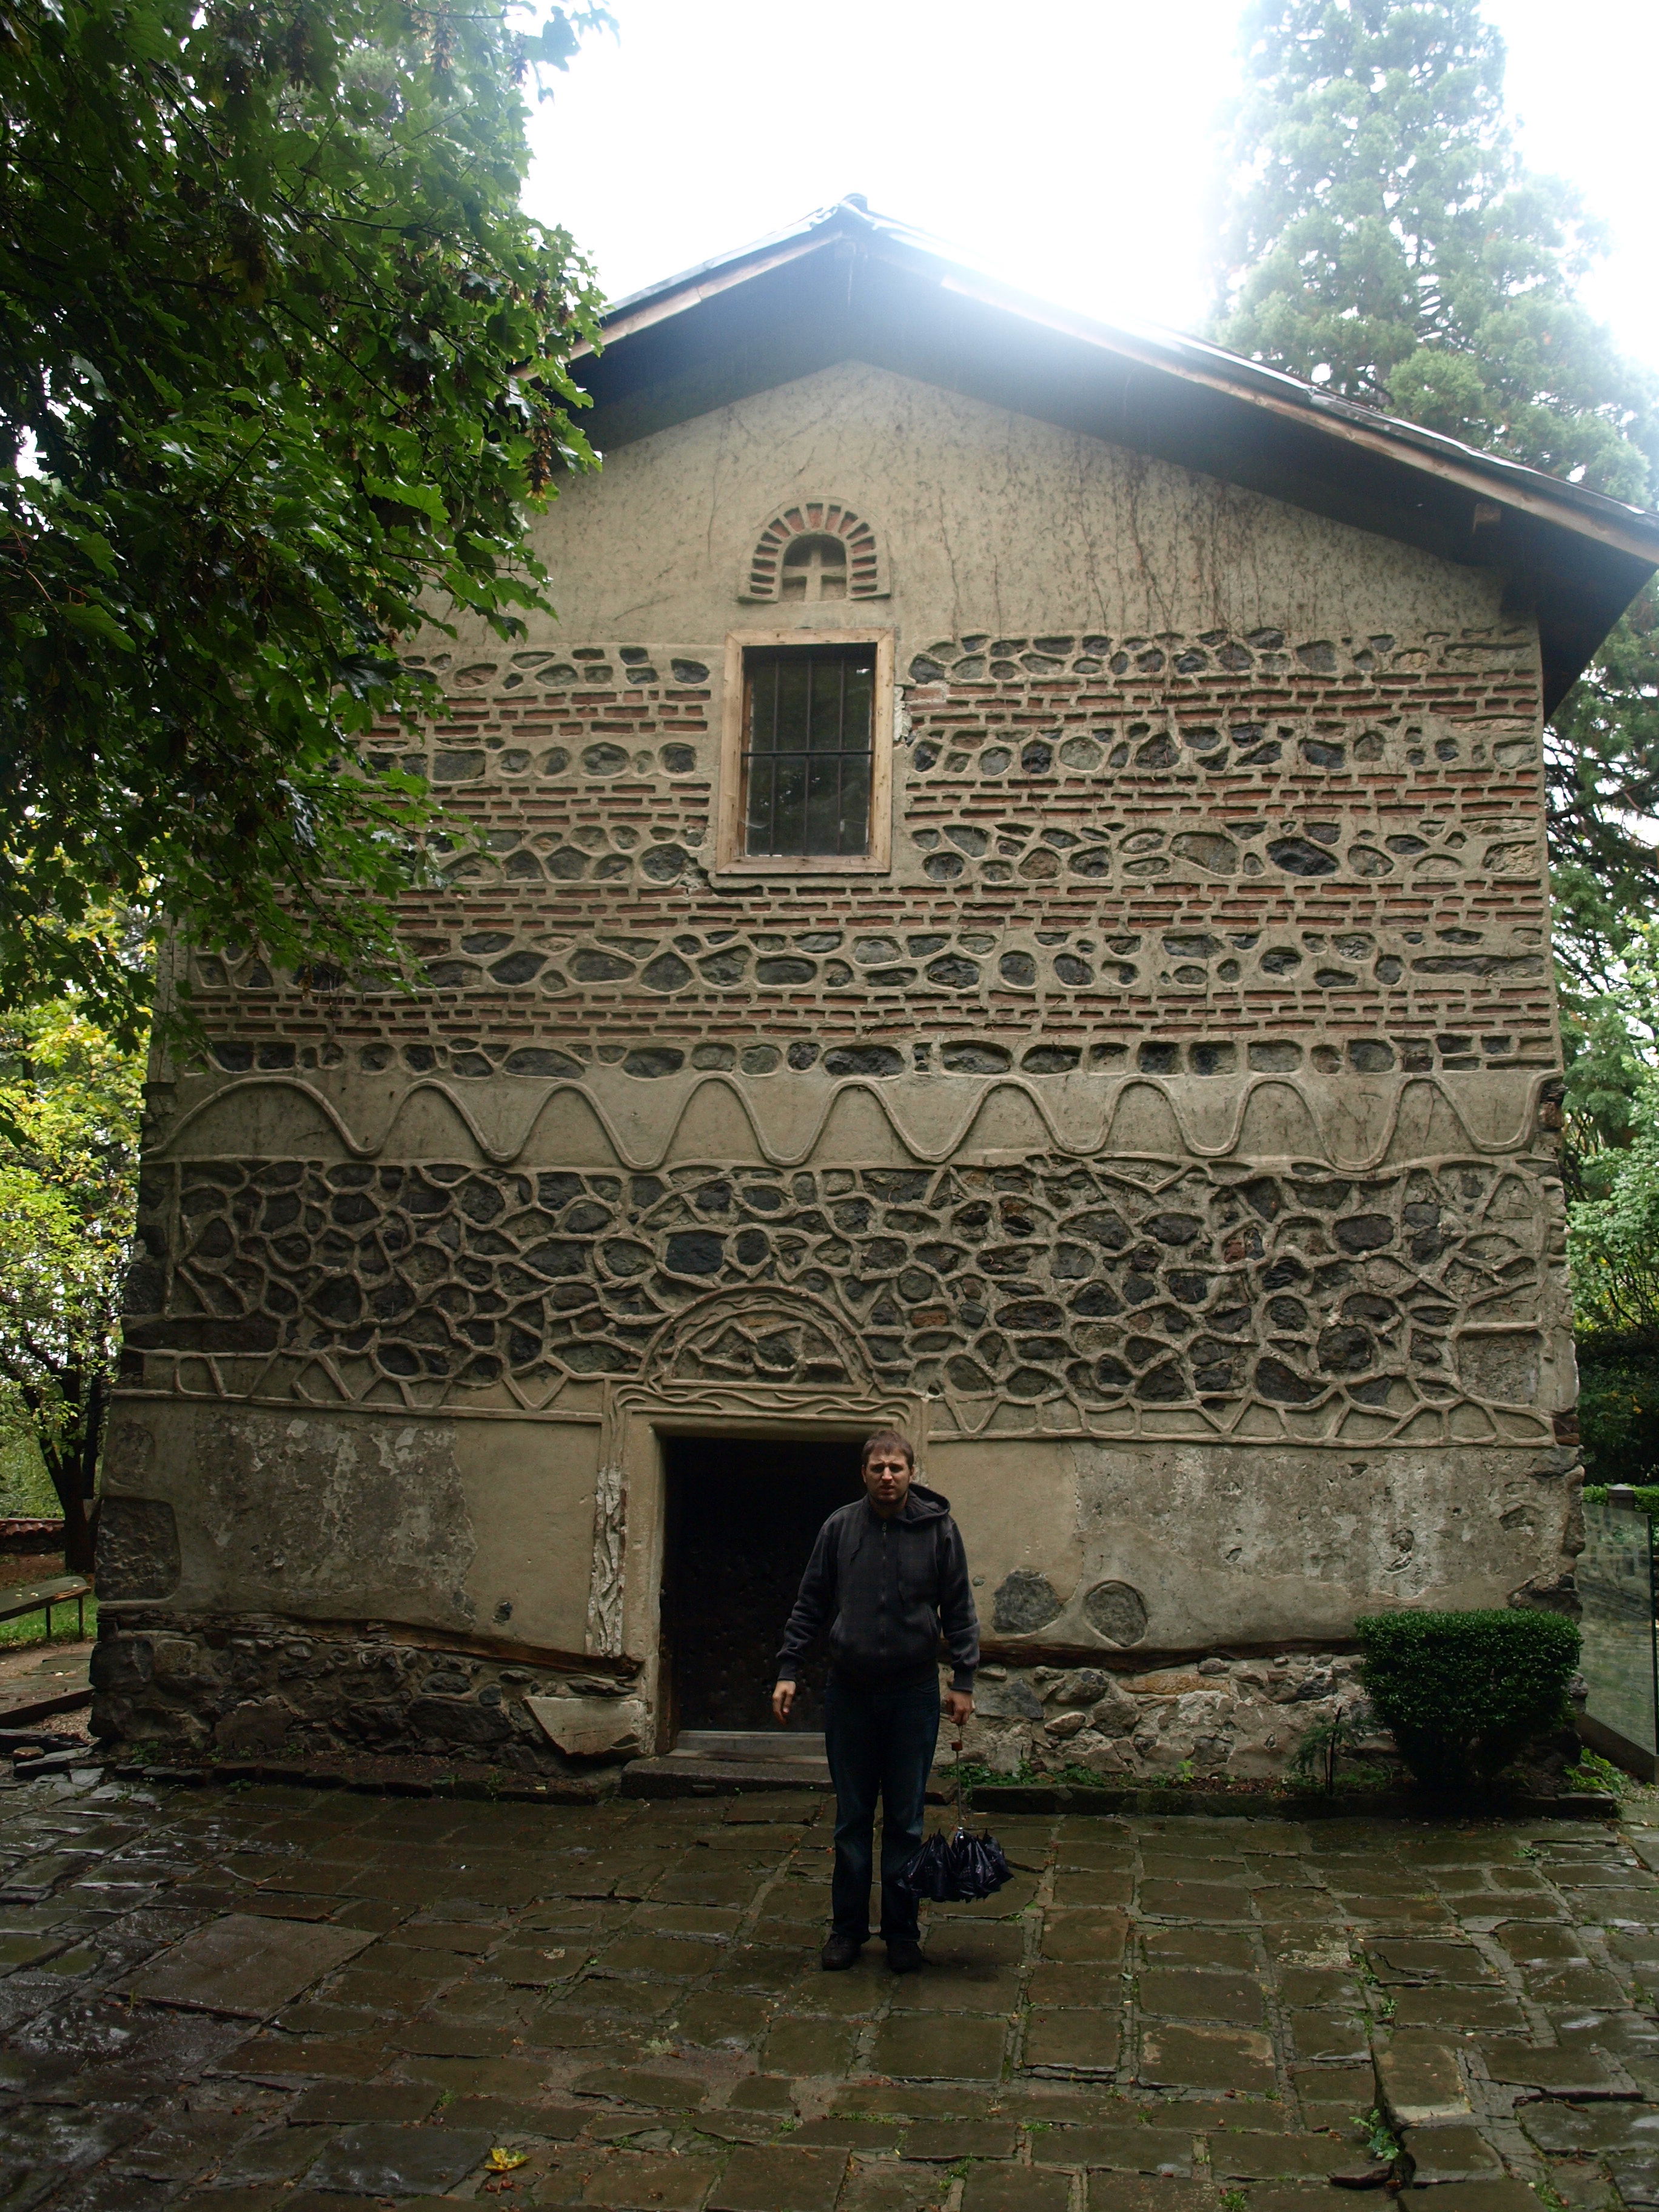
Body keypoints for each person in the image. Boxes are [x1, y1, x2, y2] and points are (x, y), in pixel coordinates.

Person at [772, 1430, 977, 1974]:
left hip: (912, 1694)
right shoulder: (840, 1528)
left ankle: (903, 1934)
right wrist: (789, 1669)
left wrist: (963, 1681)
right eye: (877, 1468)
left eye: (896, 1467)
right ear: (863, 1474)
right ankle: (847, 1931)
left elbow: (959, 1608)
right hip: (851, 1693)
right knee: (853, 1819)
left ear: (912, 1472)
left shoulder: (939, 1532)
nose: (887, 1476)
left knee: (907, 1820)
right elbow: (811, 1600)